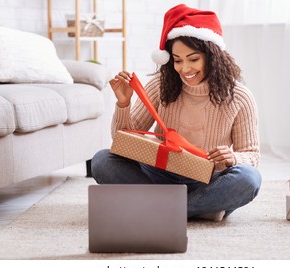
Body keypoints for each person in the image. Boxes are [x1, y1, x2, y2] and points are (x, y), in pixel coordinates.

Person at [91, 4, 262, 222]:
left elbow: (252, 155)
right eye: (177, 60)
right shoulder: (162, 85)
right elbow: (123, 142)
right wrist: (124, 103)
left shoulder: (239, 96)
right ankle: (200, 208)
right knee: (102, 160)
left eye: (193, 59)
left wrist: (234, 157)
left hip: (208, 179)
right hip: (159, 174)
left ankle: (163, 208)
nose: (184, 69)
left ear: (212, 56)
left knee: (249, 178)